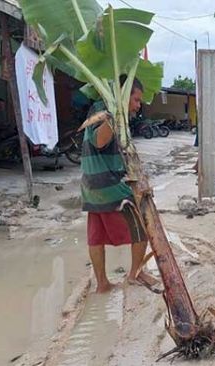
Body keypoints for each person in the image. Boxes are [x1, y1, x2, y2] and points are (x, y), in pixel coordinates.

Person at [81, 76, 159, 293]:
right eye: (135, 99)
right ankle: (135, 274)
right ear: (123, 95)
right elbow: (99, 141)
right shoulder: (107, 112)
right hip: (109, 186)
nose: (138, 105)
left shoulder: (98, 109)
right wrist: (116, 114)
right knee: (141, 230)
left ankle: (102, 284)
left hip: (91, 186)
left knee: (95, 235)